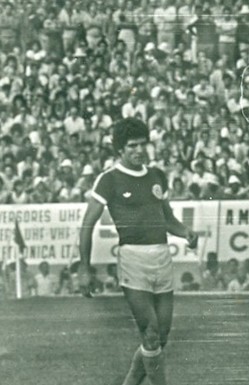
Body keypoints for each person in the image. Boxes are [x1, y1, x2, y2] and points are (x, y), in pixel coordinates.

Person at [78, 118, 198, 385]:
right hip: (133, 258)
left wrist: (185, 232)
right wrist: (84, 268)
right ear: (120, 149)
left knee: (161, 336)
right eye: (132, 146)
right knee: (151, 332)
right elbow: (87, 224)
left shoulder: (157, 175)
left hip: (162, 257)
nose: (139, 150)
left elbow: (167, 219)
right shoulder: (109, 179)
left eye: (143, 144)